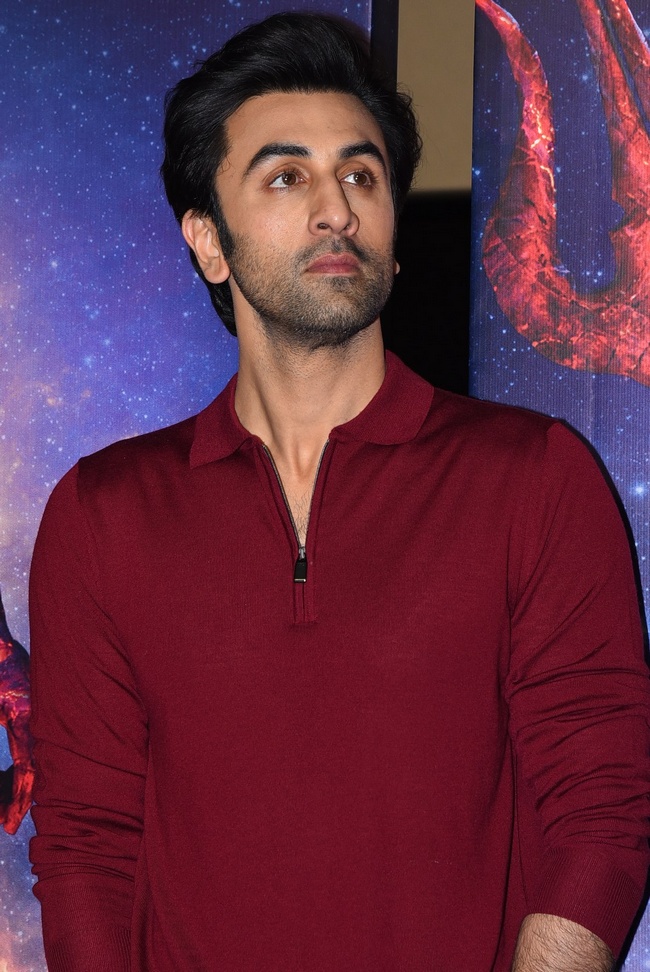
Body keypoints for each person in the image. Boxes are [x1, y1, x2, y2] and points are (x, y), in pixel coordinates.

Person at [29, 12, 650, 972]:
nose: (337, 211)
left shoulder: (536, 479)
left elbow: (603, 809)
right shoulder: (101, 516)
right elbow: (85, 849)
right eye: (287, 177)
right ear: (209, 241)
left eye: (361, 176)